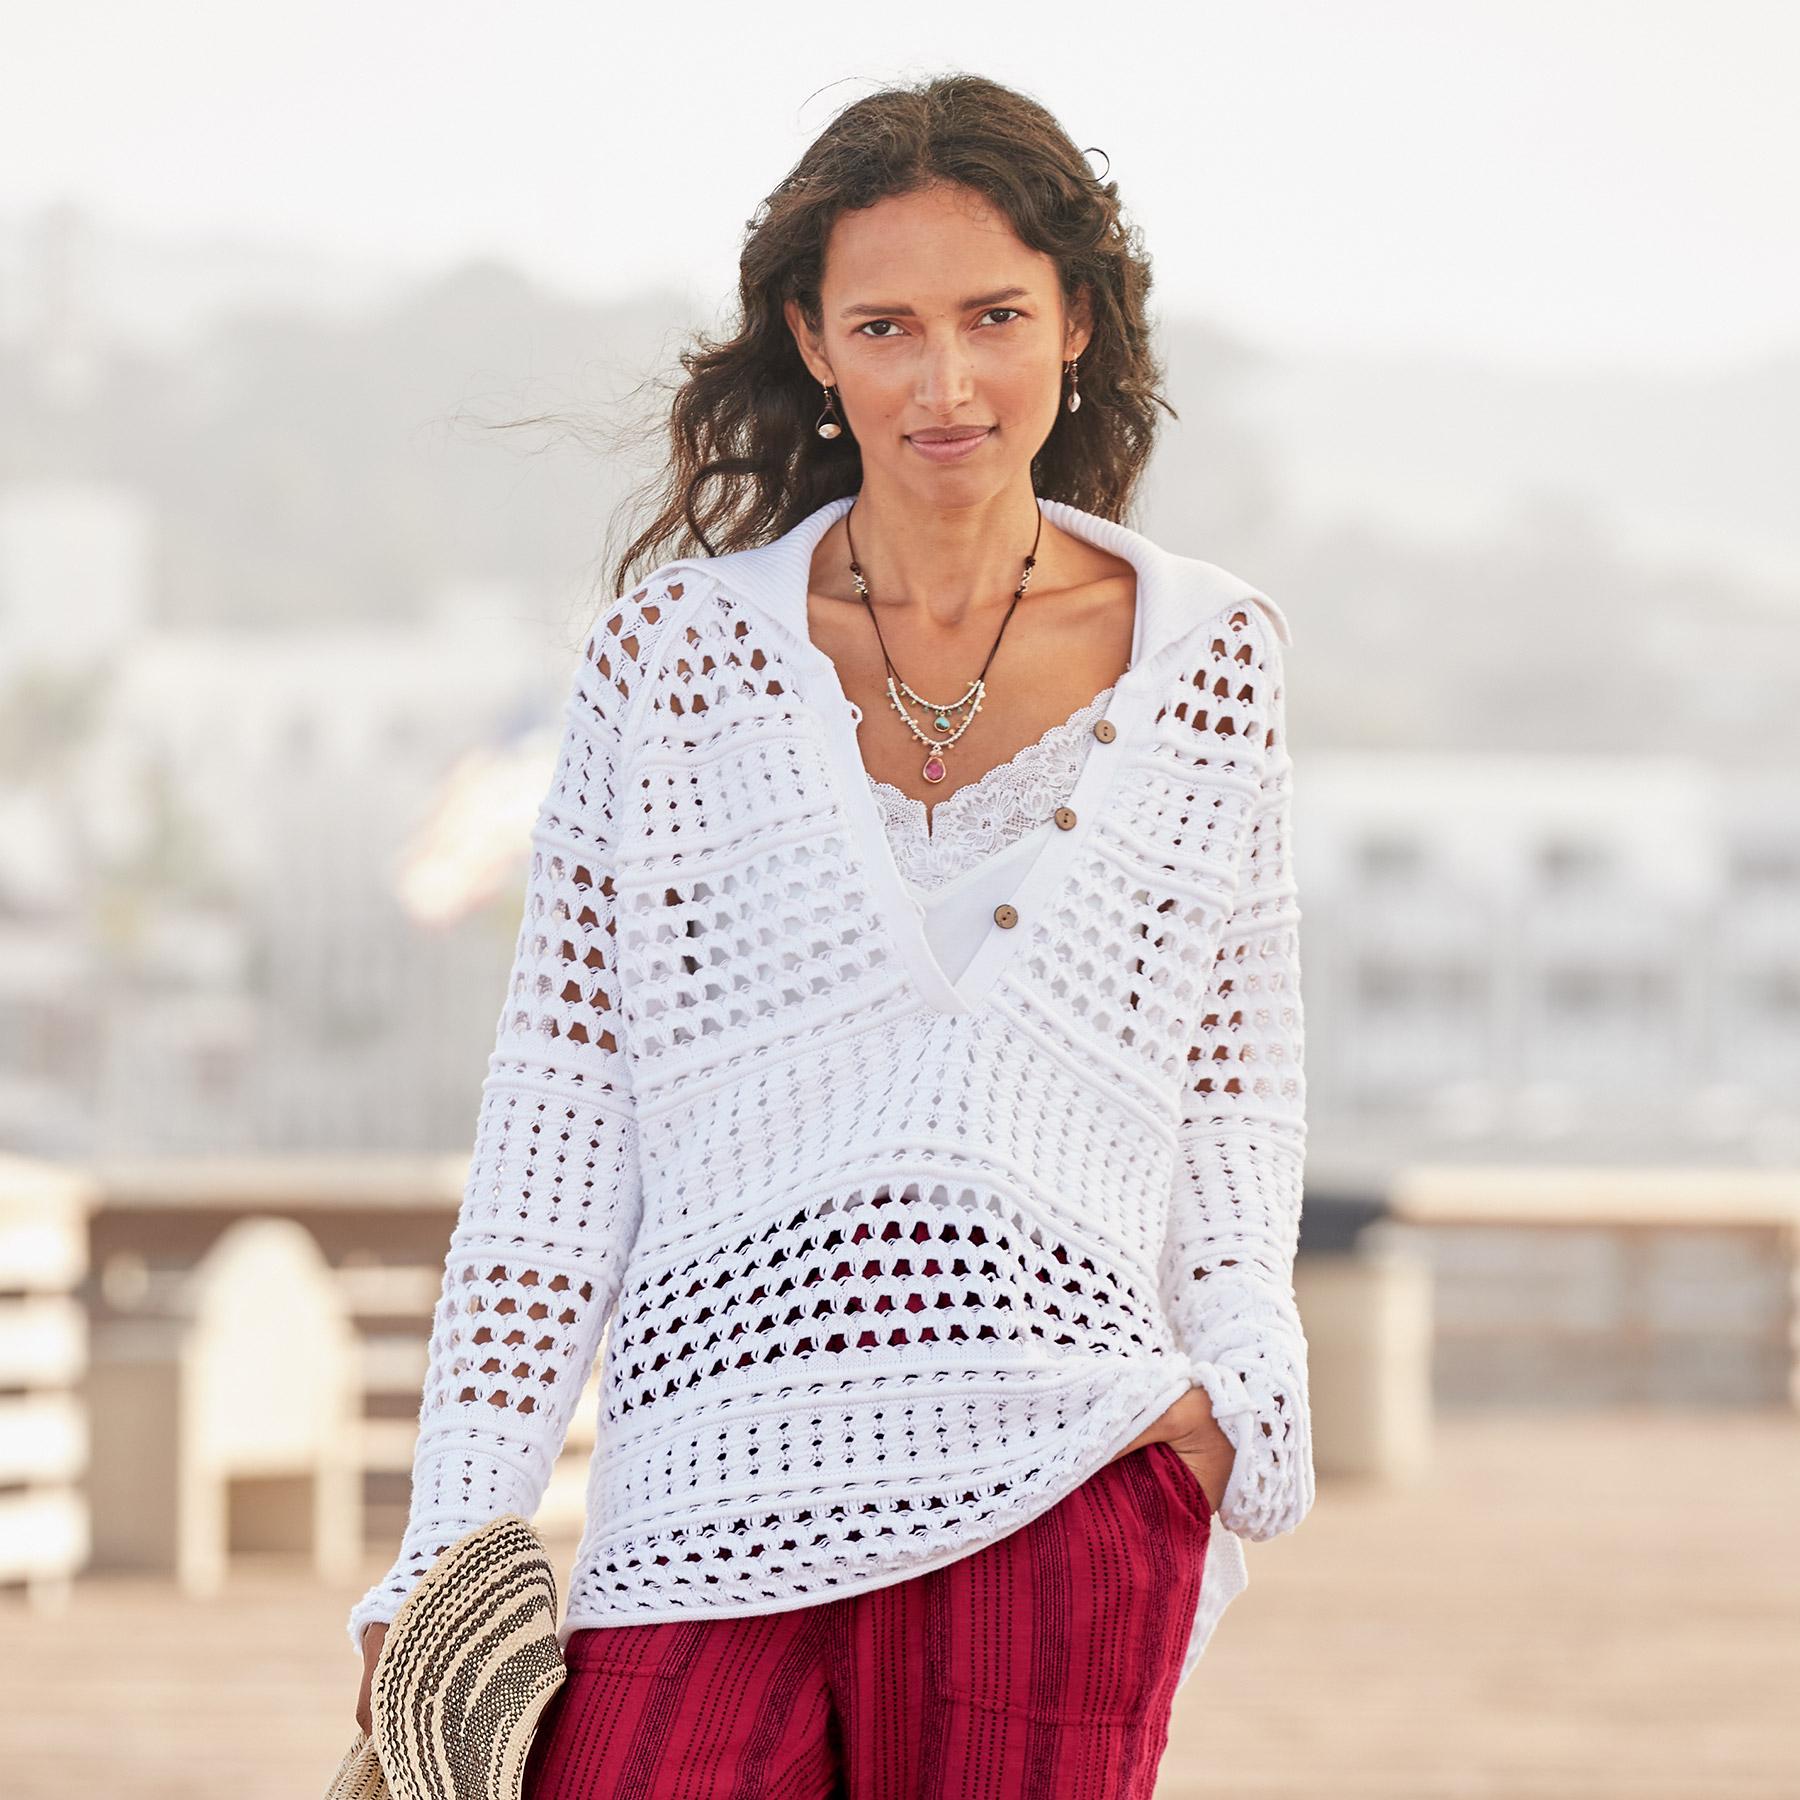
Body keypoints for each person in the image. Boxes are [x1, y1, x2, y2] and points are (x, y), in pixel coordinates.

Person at [350, 71, 1314, 1799]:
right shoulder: (670, 663)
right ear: (811, 341)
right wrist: (448, 1539)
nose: (946, 384)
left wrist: (1235, 1391)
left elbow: (1232, 1085)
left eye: (994, 317)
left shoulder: (1207, 659)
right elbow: (560, 1134)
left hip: (1066, 1490)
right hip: (710, 1490)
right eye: (886, 327)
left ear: (1076, 323)